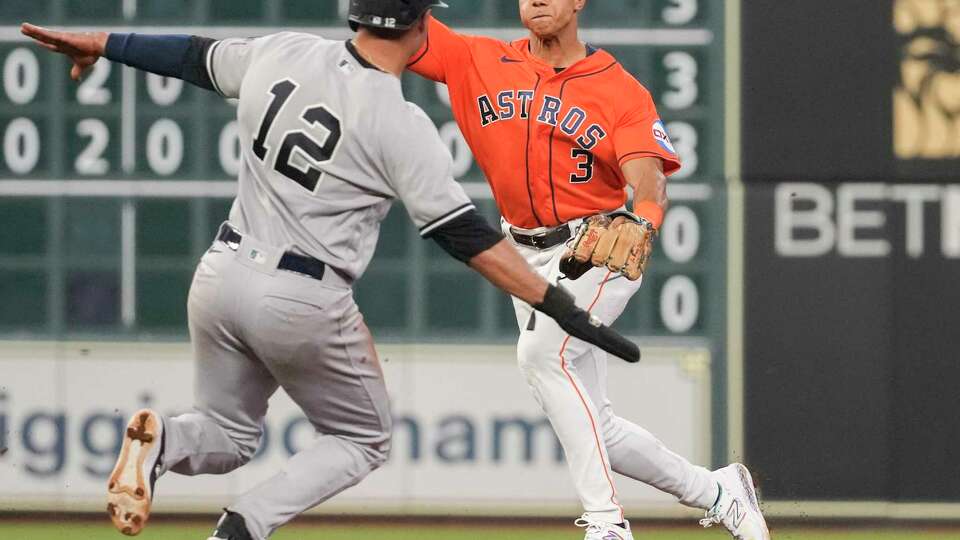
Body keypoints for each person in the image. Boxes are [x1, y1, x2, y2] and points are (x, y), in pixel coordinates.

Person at [20, 1, 640, 538]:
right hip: (300, 295)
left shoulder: (283, 51)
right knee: (363, 441)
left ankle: (165, 443)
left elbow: (191, 56)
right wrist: (558, 305)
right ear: (421, 29)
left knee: (227, 435)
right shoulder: (397, 121)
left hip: (219, 275)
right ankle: (245, 526)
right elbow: (466, 237)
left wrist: (104, 42)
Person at [406, 1, 770, 539]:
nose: (538, 0)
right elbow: (396, 25)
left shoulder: (619, 88)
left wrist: (644, 221)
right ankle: (719, 492)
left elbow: (648, 179)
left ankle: (606, 523)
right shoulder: (474, 60)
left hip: (596, 248)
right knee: (596, 426)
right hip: (521, 252)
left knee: (541, 354)